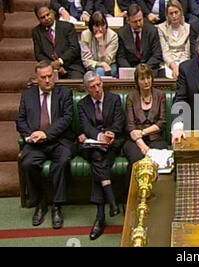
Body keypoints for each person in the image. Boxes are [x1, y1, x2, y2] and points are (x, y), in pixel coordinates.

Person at [16, 61, 74, 229]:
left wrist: (46, 134)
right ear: (37, 78)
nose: (48, 80)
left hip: (58, 140)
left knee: (63, 161)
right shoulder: (27, 95)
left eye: (50, 76)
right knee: (27, 162)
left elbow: (66, 119)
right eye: (44, 77)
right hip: (36, 144)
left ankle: (57, 205)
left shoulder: (64, 94)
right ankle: (40, 203)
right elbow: (20, 120)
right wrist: (30, 136)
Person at [77, 71, 125, 240]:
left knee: (99, 160)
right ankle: (111, 200)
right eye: (92, 87)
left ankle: (100, 217)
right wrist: (99, 137)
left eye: (99, 84)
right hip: (93, 144)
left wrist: (111, 134)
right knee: (98, 156)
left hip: (112, 144)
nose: (97, 89)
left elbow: (119, 121)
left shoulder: (114, 99)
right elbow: (85, 126)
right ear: (86, 89)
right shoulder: (82, 104)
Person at [123, 64, 168, 165]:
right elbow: (130, 126)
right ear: (137, 81)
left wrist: (143, 132)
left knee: (156, 160)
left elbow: (162, 122)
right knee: (138, 160)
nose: (146, 82)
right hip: (135, 141)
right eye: (142, 79)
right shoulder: (131, 97)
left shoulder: (160, 95)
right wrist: (142, 145)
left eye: (148, 78)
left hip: (156, 139)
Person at [32, 3, 85, 79]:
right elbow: (39, 54)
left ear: (52, 12)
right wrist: (53, 65)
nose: (46, 18)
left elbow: (74, 48)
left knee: (77, 80)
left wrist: (60, 62)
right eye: (43, 17)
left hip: (71, 66)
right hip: (50, 68)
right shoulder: (37, 32)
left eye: (48, 14)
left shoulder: (67, 27)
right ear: (38, 19)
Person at [117, 4, 164, 77]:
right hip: (130, 70)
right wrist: (131, 71)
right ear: (128, 21)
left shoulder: (152, 30)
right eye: (135, 22)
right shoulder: (122, 33)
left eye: (140, 20)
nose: (138, 24)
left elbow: (157, 54)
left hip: (149, 69)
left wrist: (143, 69)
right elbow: (121, 57)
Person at [157, 0, 190, 78]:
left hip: (184, 62)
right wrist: (174, 66)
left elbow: (187, 53)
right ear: (167, 15)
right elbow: (165, 52)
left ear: (181, 12)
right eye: (171, 13)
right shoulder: (161, 28)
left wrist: (179, 67)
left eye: (176, 12)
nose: (174, 16)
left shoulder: (188, 28)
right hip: (168, 63)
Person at [80, 11, 119, 77]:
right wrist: (101, 64)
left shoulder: (113, 36)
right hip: (92, 66)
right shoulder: (85, 35)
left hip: (110, 65)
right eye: (97, 26)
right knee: (99, 71)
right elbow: (86, 60)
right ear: (91, 26)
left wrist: (101, 44)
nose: (100, 29)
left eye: (103, 25)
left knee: (102, 71)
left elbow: (108, 60)